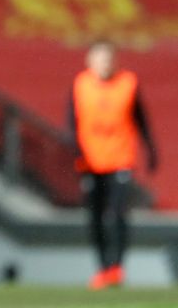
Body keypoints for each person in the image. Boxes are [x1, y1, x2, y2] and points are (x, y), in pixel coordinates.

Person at [68, 40, 158, 290]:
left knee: (118, 213)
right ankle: (103, 268)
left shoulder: (128, 83)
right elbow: (71, 122)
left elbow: (142, 120)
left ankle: (117, 267)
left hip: (120, 159)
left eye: (108, 59)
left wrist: (151, 151)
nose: (104, 64)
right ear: (90, 62)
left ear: (115, 60)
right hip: (90, 162)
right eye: (99, 59)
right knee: (95, 217)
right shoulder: (81, 85)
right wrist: (74, 153)